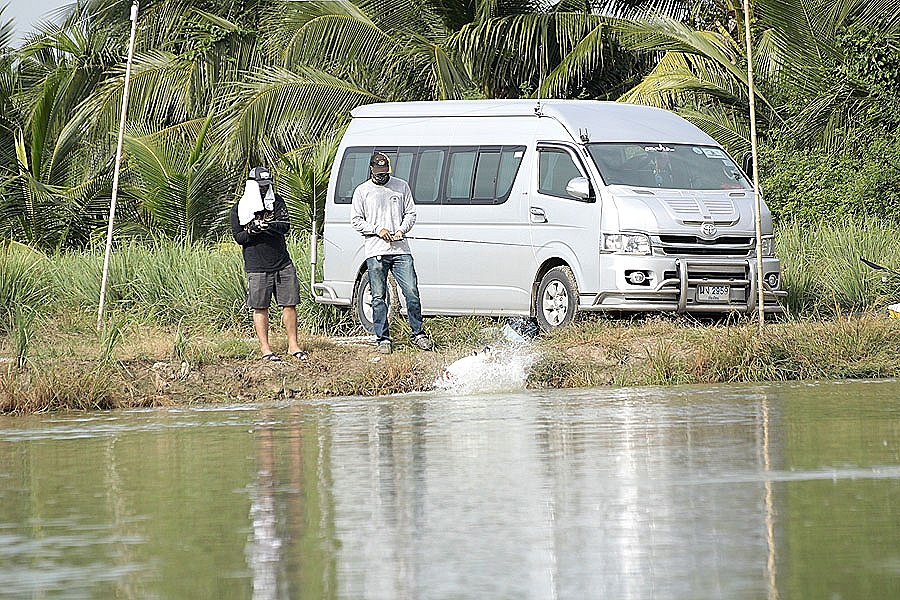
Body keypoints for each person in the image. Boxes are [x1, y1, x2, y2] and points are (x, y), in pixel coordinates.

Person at [350, 152, 433, 354]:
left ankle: (417, 333)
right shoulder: (362, 191)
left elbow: (411, 213)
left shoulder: (401, 186)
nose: (382, 175)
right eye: (378, 172)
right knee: (378, 295)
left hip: (401, 249)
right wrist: (378, 230)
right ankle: (382, 337)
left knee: (411, 291)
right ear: (371, 169)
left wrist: (401, 230)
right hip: (375, 249)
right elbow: (356, 220)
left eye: (385, 171)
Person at [231, 166, 307, 361]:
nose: (264, 190)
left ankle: (293, 345)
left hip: (282, 261)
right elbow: (239, 237)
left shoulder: (277, 202)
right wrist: (252, 230)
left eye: (267, 186)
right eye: (261, 186)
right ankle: (266, 348)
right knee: (260, 307)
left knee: (290, 304)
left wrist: (267, 226)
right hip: (257, 265)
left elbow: (285, 226)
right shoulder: (240, 208)